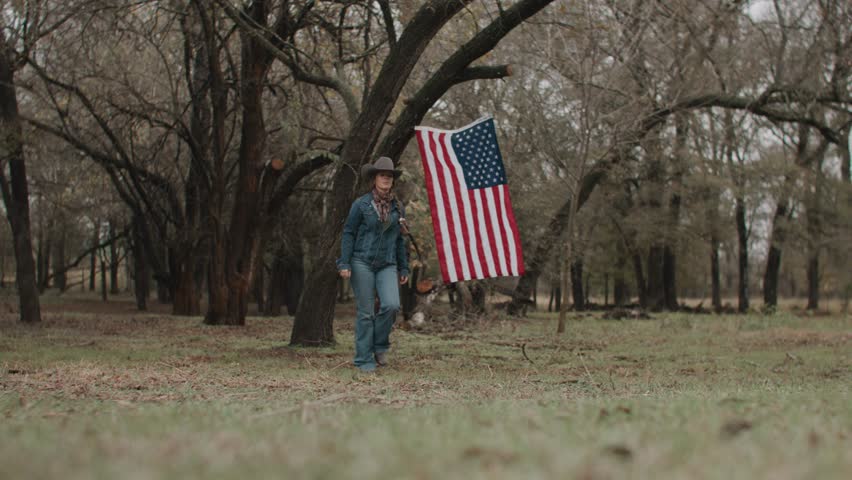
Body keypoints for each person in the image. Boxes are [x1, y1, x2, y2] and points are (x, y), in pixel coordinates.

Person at [337, 157, 410, 372]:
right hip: (362, 261)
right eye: (382, 175)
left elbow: (399, 239)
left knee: (391, 305)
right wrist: (344, 262)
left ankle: (379, 345)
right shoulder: (360, 205)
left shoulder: (398, 207)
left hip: (387, 263)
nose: (386, 178)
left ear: (392, 180)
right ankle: (364, 360)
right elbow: (348, 233)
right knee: (366, 312)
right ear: (374, 178)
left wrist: (403, 267)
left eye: (389, 176)